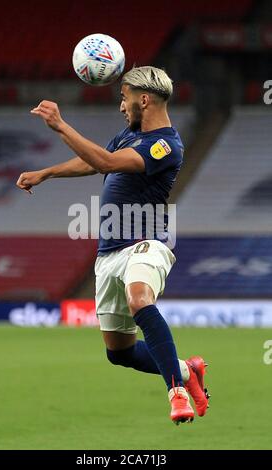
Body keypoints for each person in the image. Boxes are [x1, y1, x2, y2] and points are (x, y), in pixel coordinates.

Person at [16, 66, 209, 425]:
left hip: (146, 243)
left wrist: (61, 125)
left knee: (139, 299)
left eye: (124, 98)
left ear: (144, 99)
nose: (122, 106)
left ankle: (176, 393)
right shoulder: (128, 135)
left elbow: (105, 162)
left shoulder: (165, 145)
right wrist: (48, 173)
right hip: (109, 252)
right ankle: (186, 371)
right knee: (118, 353)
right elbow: (94, 161)